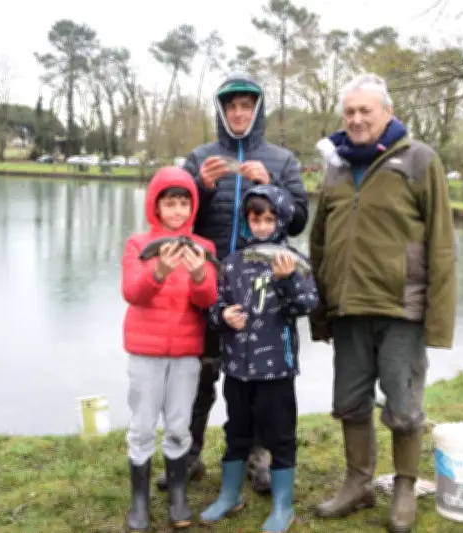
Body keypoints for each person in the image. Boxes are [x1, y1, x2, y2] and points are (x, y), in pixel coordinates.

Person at [309, 73, 457, 533]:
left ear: (386, 114)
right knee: (349, 403)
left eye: (364, 111)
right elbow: (319, 241)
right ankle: (357, 485)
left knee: (405, 409)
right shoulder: (334, 166)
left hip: (401, 310)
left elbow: (442, 244)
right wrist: (321, 309)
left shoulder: (419, 160)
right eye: (349, 112)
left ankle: (406, 489)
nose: (355, 119)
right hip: (349, 309)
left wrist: (438, 323)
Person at [154, 73, 309, 494]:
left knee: (259, 376)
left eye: (246, 106)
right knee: (199, 375)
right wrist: (200, 188)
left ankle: (260, 457)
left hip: (263, 289)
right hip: (207, 283)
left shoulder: (282, 160)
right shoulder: (200, 156)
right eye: (231, 107)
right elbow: (176, 217)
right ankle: (188, 454)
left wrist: (271, 186)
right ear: (221, 112)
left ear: (257, 111)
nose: (238, 113)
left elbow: (298, 220)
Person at [199, 184, 318, 532]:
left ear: (280, 220)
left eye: (270, 219)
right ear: (246, 221)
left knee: (280, 435)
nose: (263, 226)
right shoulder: (233, 263)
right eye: (256, 219)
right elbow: (214, 308)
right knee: (236, 431)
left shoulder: (295, 262)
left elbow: (306, 306)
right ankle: (229, 495)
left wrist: (284, 281)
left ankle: (283, 505)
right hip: (236, 368)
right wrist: (223, 318)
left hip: (276, 369)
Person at [121, 166, 219, 531]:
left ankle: (178, 495)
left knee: (179, 423)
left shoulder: (204, 248)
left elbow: (207, 298)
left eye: (183, 203)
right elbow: (132, 292)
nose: (177, 211)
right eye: (170, 203)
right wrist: (158, 271)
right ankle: (140, 502)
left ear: (191, 208)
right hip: (144, 352)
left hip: (186, 352)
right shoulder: (138, 245)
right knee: (143, 424)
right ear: (156, 206)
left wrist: (197, 276)